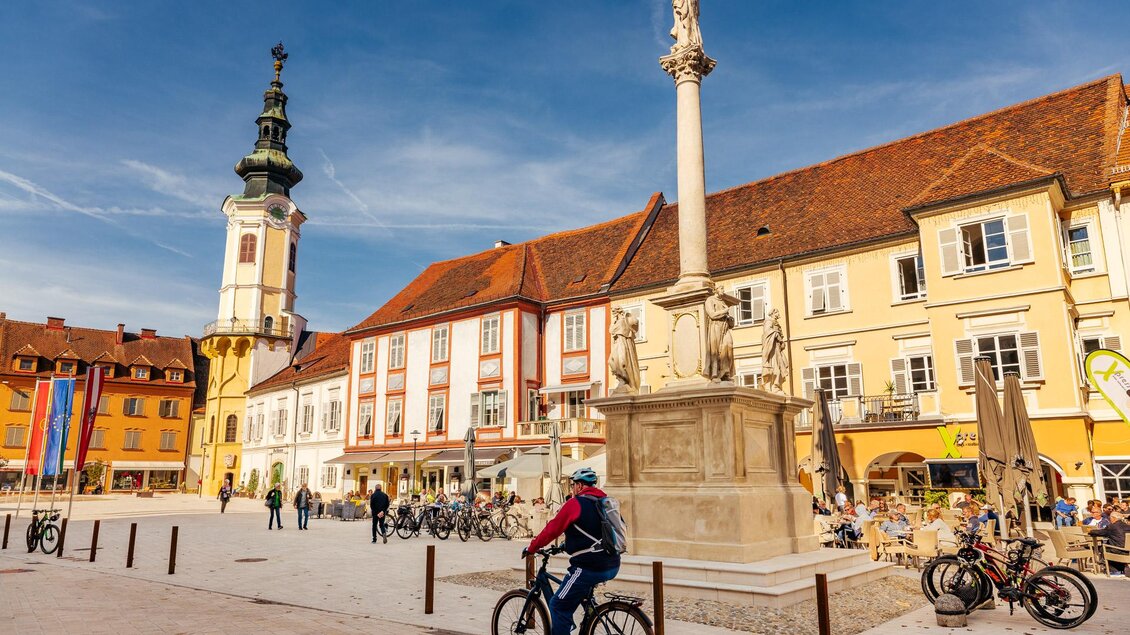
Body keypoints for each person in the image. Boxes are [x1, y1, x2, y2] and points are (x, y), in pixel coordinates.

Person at [525, 468, 620, 635]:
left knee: (558, 605)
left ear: (580, 485)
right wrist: (565, 546)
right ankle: (590, 617)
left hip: (588, 568)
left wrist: (533, 547)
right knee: (579, 595)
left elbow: (551, 529)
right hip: (613, 563)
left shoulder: (575, 504)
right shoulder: (604, 501)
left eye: (573, 485)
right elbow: (593, 531)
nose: (572, 488)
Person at [1087, 511, 1129, 576]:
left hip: (1118, 550)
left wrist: (1090, 531)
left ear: (1113, 518)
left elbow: (1101, 532)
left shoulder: (1112, 526)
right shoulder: (1127, 526)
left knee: (1102, 548)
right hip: (1128, 550)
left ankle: (1114, 570)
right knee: (1108, 545)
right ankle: (1119, 569)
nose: (1109, 519)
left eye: (1110, 518)